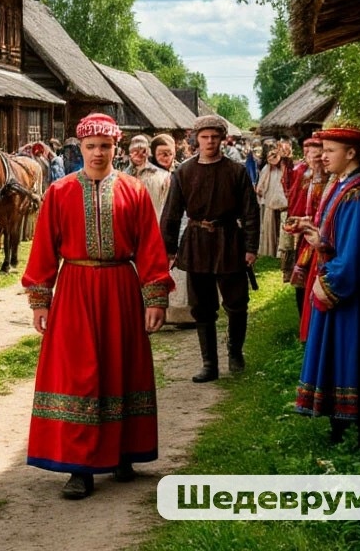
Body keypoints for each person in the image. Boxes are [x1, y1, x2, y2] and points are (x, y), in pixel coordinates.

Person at [21, 113, 173, 500]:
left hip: (121, 289)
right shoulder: (59, 192)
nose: (98, 153)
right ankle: (80, 467)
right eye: (91, 147)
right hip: (74, 291)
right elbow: (42, 251)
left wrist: (155, 297)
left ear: (115, 148)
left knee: (120, 369)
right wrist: (41, 299)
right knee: (79, 375)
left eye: (105, 146)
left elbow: (151, 249)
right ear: (81, 148)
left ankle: (124, 452)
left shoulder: (134, 191)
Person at [288, 125, 360, 446]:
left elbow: (356, 253)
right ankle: (339, 423)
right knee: (338, 353)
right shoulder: (343, 184)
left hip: (350, 291)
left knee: (353, 352)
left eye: (330, 150)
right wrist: (319, 236)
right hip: (336, 278)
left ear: (351, 153)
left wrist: (328, 284)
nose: (323, 155)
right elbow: (339, 239)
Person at [160, 114, 260, 382]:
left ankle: (235, 352)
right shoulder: (184, 172)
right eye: (205, 137)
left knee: (237, 303)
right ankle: (209, 364)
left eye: (215, 137)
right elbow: (171, 213)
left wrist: (251, 247)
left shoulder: (236, 172)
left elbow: (251, 212)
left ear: (223, 139)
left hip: (229, 240)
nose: (210, 141)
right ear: (197, 138)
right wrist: (168, 249)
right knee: (202, 307)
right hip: (197, 242)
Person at [285, 135, 327, 322]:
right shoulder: (303, 174)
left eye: (317, 156)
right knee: (302, 283)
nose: (312, 159)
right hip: (305, 238)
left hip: (323, 237)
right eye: (309, 154)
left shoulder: (331, 179)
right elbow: (293, 197)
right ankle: (305, 322)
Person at [255, 145, 289, 259]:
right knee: (270, 228)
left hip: (284, 204)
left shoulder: (285, 170)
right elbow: (260, 188)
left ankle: (280, 252)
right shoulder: (267, 170)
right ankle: (271, 251)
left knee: (281, 228)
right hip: (270, 203)